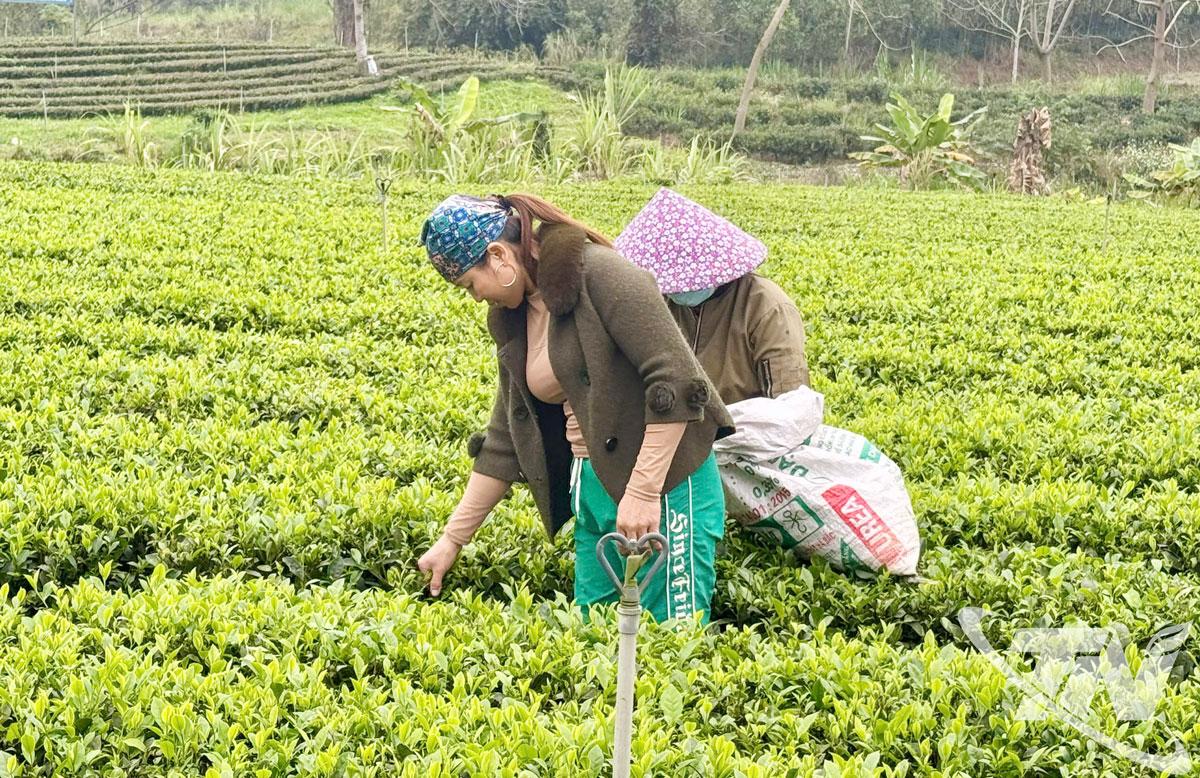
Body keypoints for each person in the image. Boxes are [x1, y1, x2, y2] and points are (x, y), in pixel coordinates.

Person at [415, 193, 734, 624]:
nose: (475, 297)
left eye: (472, 284)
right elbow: (506, 439)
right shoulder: (514, 318)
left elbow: (677, 383)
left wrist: (643, 492)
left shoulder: (600, 274)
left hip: (666, 483)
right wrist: (451, 541)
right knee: (593, 635)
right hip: (594, 485)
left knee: (667, 640)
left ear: (497, 255)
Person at [615, 188, 809, 405]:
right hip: (678, 429)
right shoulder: (662, 302)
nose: (675, 291)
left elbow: (790, 405)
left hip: (749, 433)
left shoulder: (768, 309)